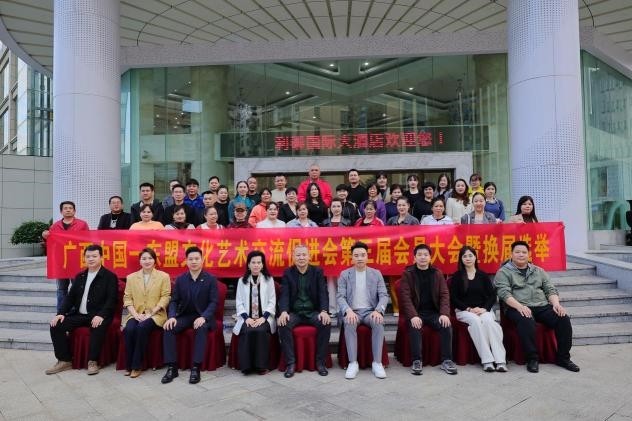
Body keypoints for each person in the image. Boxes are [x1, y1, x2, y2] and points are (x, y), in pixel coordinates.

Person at [495, 241, 579, 373]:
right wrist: (520, 307)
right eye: (517, 252)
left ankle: (563, 358)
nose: (521, 255)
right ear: (511, 254)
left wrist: (556, 304)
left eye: (524, 252)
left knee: (563, 319)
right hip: (516, 307)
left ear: (529, 254)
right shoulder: (503, 272)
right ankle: (532, 358)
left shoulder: (538, 271)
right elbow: (504, 293)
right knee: (526, 320)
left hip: (541, 306)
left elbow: (550, 289)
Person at [46, 245, 118, 376]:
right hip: (80, 315)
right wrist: (60, 313)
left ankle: (93, 361)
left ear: (101, 257)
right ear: (84, 258)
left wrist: (101, 315)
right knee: (56, 325)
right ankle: (64, 360)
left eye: (94, 256)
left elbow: (111, 300)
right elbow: (70, 298)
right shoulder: (80, 276)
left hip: (98, 315)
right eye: (88, 256)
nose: (91, 259)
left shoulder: (109, 276)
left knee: (97, 326)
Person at [161, 246, 219, 384]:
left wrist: (204, 317)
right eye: (191, 259)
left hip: (202, 316)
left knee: (201, 328)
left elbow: (213, 302)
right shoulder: (181, 279)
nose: (194, 262)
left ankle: (196, 367)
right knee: (168, 328)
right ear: (186, 261)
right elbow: (174, 300)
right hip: (185, 315)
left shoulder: (210, 279)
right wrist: (172, 316)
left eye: (197, 259)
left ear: (202, 260)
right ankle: (172, 367)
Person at [399, 244, 458, 375]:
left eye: (425, 255)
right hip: (417, 312)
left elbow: (444, 294)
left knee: (446, 324)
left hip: (433, 313)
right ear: (414, 258)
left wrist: (444, 314)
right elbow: (405, 297)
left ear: (430, 257)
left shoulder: (437, 273)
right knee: (414, 326)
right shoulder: (408, 274)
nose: (423, 257)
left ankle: (447, 360)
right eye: (419, 255)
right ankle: (417, 360)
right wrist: (413, 316)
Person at [337, 241, 388, 379]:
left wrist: (378, 310)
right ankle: (353, 363)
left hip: (370, 311)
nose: (360, 258)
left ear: (367, 256)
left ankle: (377, 363)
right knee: (349, 322)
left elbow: (384, 295)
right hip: (353, 311)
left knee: (378, 321)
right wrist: (348, 310)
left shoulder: (376, 274)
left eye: (362, 255)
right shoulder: (345, 274)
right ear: (351, 258)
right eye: (356, 255)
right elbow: (340, 296)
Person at [278, 244, 331, 377]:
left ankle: (320, 362)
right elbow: (284, 294)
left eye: (304, 255)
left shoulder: (317, 272)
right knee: (283, 324)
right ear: (293, 257)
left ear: (309, 257)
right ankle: (291, 363)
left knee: (325, 323)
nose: (301, 258)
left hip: (312, 312)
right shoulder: (288, 273)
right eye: (298, 255)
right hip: (295, 313)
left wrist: (324, 311)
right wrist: (283, 311)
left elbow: (323, 293)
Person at [450, 246, 507, 372]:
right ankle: (487, 360)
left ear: (475, 257)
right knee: (475, 321)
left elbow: (492, 295)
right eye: (465, 256)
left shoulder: (482, 275)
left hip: (483, 310)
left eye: (470, 255)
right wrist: (468, 309)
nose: (468, 258)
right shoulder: (457, 276)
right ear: (461, 259)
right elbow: (453, 298)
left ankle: (500, 361)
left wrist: (484, 309)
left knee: (489, 322)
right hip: (464, 311)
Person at [122, 248, 171, 378]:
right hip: (136, 313)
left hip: (156, 315)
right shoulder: (131, 278)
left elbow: (165, 297)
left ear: (155, 261)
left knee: (142, 327)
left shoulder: (163, 276)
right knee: (129, 329)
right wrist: (135, 315)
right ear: (140, 261)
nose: (147, 261)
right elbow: (127, 298)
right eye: (144, 258)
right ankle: (128, 365)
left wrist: (151, 313)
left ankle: (136, 366)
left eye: (150, 258)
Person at [234, 251, 277, 374]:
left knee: (260, 330)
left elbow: (272, 301)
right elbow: (239, 302)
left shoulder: (269, 280)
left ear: (263, 265)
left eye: (259, 262)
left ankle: (261, 366)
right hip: (247, 318)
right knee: (247, 331)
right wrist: (246, 318)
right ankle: (246, 366)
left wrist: (264, 318)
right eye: (253, 262)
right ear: (248, 264)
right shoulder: (241, 281)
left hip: (264, 318)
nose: (256, 265)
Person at [42, 201, 90, 311]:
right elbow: (50, 243)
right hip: (61, 262)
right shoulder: (55, 226)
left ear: (74, 211)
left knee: (77, 287)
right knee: (61, 289)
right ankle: (61, 311)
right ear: (61, 211)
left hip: (76, 261)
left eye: (70, 208)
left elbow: (88, 240)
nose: (68, 210)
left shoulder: (82, 224)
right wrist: (45, 237)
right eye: (65, 208)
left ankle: (77, 311)